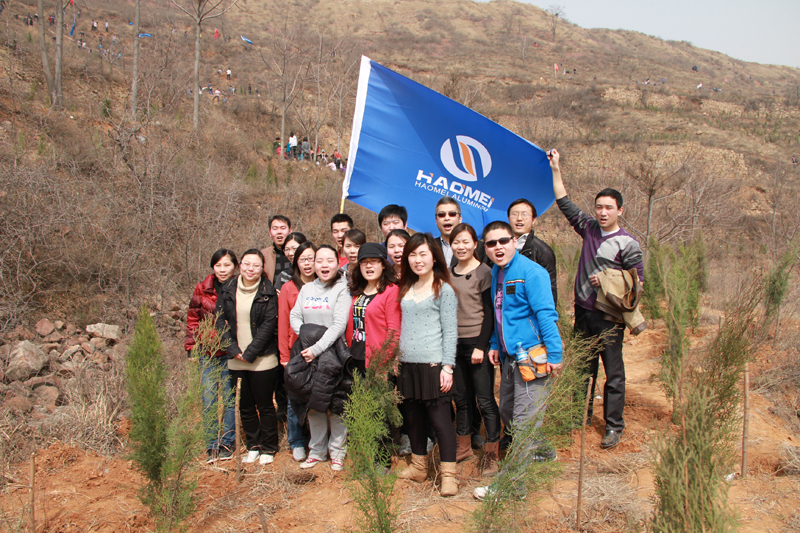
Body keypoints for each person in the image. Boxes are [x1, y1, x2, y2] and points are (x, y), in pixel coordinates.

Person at [550, 148, 644, 449]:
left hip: (609, 318)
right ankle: (578, 416)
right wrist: (556, 169)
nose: (603, 212)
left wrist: (606, 280)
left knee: (613, 373)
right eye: (599, 206)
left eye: (609, 207)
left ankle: (614, 426)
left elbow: (637, 284)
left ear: (620, 210)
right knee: (581, 368)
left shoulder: (628, 244)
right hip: (583, 312)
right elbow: (564, 203)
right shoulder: (589, 229)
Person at [473, 221, 563, 500]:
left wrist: (555, 354)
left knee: (523, 423)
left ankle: (512, 486)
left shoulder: (532, 273)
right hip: (511, 359)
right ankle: (545, 451)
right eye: (491, 243)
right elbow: (502, 316)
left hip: (533, 357)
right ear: (485, 248)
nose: (498, 247)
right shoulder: (497, 274)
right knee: (509, 415)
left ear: (514, 241)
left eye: (503, 241)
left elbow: (546, 314)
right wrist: (494, 344)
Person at [395, 233, 459, 497]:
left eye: (423, 254)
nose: (417, 260)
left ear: (434, 257)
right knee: (413, 420)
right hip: (407, 365)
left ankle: (448, 476)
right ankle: (419, 467)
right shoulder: (406, 287)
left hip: (434, 365)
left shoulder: (443, 289)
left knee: (441, 422)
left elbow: (450, 331)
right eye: (412, 254)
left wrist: (448, 366)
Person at [290, 245, 352, 470]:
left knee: (336, 403)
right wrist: (307, 339)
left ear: (338, 263)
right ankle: (316, 451)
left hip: (333, 353)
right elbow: (295, 315)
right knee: (313, 403)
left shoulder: (343, 289)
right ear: (314, 264)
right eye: (320, 261)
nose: (324, 265)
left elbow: (338, 324)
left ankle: (337, 452)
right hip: (308, 353)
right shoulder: (307, 288)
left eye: (329, 261)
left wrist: (317, 347)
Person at [215, 249, 280, 465]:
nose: (250, 269)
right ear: (240, 265)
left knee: (265, 405)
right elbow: (219, 321)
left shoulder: (268, 291)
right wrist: (233, 349)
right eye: (246, 264)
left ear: (263, 268)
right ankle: (253, 445)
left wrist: (250, 352)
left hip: (262, 358)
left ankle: (269, 447)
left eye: (256, 266)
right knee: (244, 405)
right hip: (235, 357)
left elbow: (269, 325)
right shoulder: (227, 288)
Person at [449, 224, 500, 474]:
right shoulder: (448, 273)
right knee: (462, 399)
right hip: (454, 344)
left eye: (465, 241)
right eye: (456, 242)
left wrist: (482, 345)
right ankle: (464, 445)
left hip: (477, 343)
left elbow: (489, 313)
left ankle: (492, 452)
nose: (461, 246)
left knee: (485, 399)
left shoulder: (485, 273)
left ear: (475, 244)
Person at [185, 249, 239, 463]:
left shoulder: (239, 286)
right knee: (208, 398)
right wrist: (192, 347)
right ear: (213, 267)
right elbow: (193, 318)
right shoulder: (202, 288)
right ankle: (211, 444)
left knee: (228, 398)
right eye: (218, 265)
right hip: (207, 352)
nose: (222, 270)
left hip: (230, 351)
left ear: (235, 266)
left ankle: (227, 442)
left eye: (227, 265)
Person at [278, 241, 316, 462]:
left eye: (311, 258)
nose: (308, 263)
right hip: (295, 350)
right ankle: (296, 441)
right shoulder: (288, 288)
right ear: (296, 262)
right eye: (303, 259)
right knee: (295, 398)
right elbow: (283, 322)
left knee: (318, 396)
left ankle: (317, 440)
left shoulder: (325, 284)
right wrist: (284, 356)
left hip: (320, 349)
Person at [345, 243, 401, 372]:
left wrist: (384, 362)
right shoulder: (358, 289)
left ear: (383, 265)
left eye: (374, 261)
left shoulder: (391, 291)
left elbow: (394, 331)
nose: (368, 265)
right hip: (355, 356)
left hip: (377, 360)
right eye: (364, 262)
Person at [507, 198, 558, 304]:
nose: (519, 218)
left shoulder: (543, 251)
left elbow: (550, 289)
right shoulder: (499, 246)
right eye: (515, 214)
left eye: (524, 214)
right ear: (508, 218)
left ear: (534, 220)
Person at [261, 215, 292, 284]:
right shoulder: (263, 255)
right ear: (270, 232)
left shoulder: (300, 253)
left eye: (283, 228)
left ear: (290, 231)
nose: (279, 232)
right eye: (275, 228)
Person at [433, 197, 462, 268]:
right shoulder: (429, 246)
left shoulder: (477, 248)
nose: (447, 218)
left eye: (452, 214)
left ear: (460, 219)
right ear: (436, 220)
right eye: (441, 215)